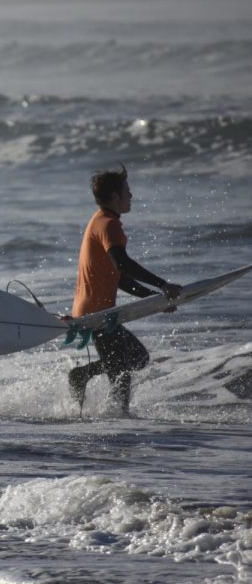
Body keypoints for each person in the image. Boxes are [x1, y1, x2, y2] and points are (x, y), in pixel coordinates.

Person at [67, 164, 182, 416]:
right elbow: (123, 264)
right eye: (127, 191)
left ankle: (86, 377)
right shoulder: (109, 225)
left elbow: (119, 279)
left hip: (97, 312)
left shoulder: (100, 221)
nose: (131, 196)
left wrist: (155, 300)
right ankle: (119, 418)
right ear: (114, 196)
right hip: (97, 314)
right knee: (123, 367)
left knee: (136, 358)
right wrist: (163, 285)